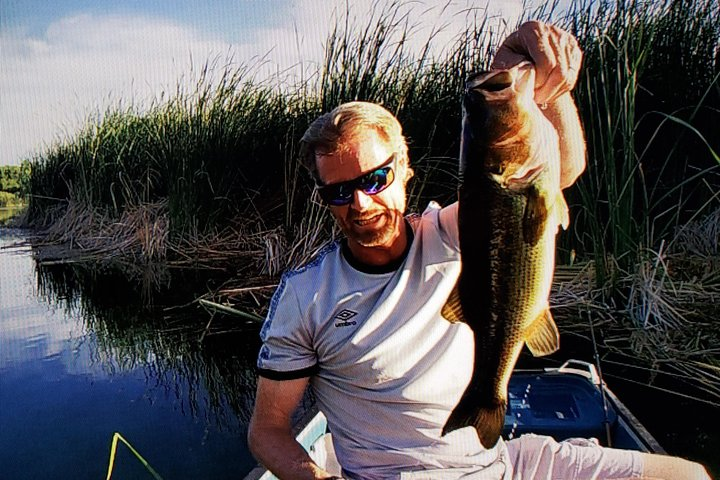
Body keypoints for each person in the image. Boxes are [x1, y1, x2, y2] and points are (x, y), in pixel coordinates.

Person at [247, 21, 711, 480]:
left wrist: (541, 81)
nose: (361, 204)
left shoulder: (452, 230)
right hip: (390, 475)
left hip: (500, 462)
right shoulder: (305, 296)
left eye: (374, 180)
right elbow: (266, 431)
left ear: (405, 168)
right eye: (339, 192)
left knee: (687, 476)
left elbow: (562, 171)